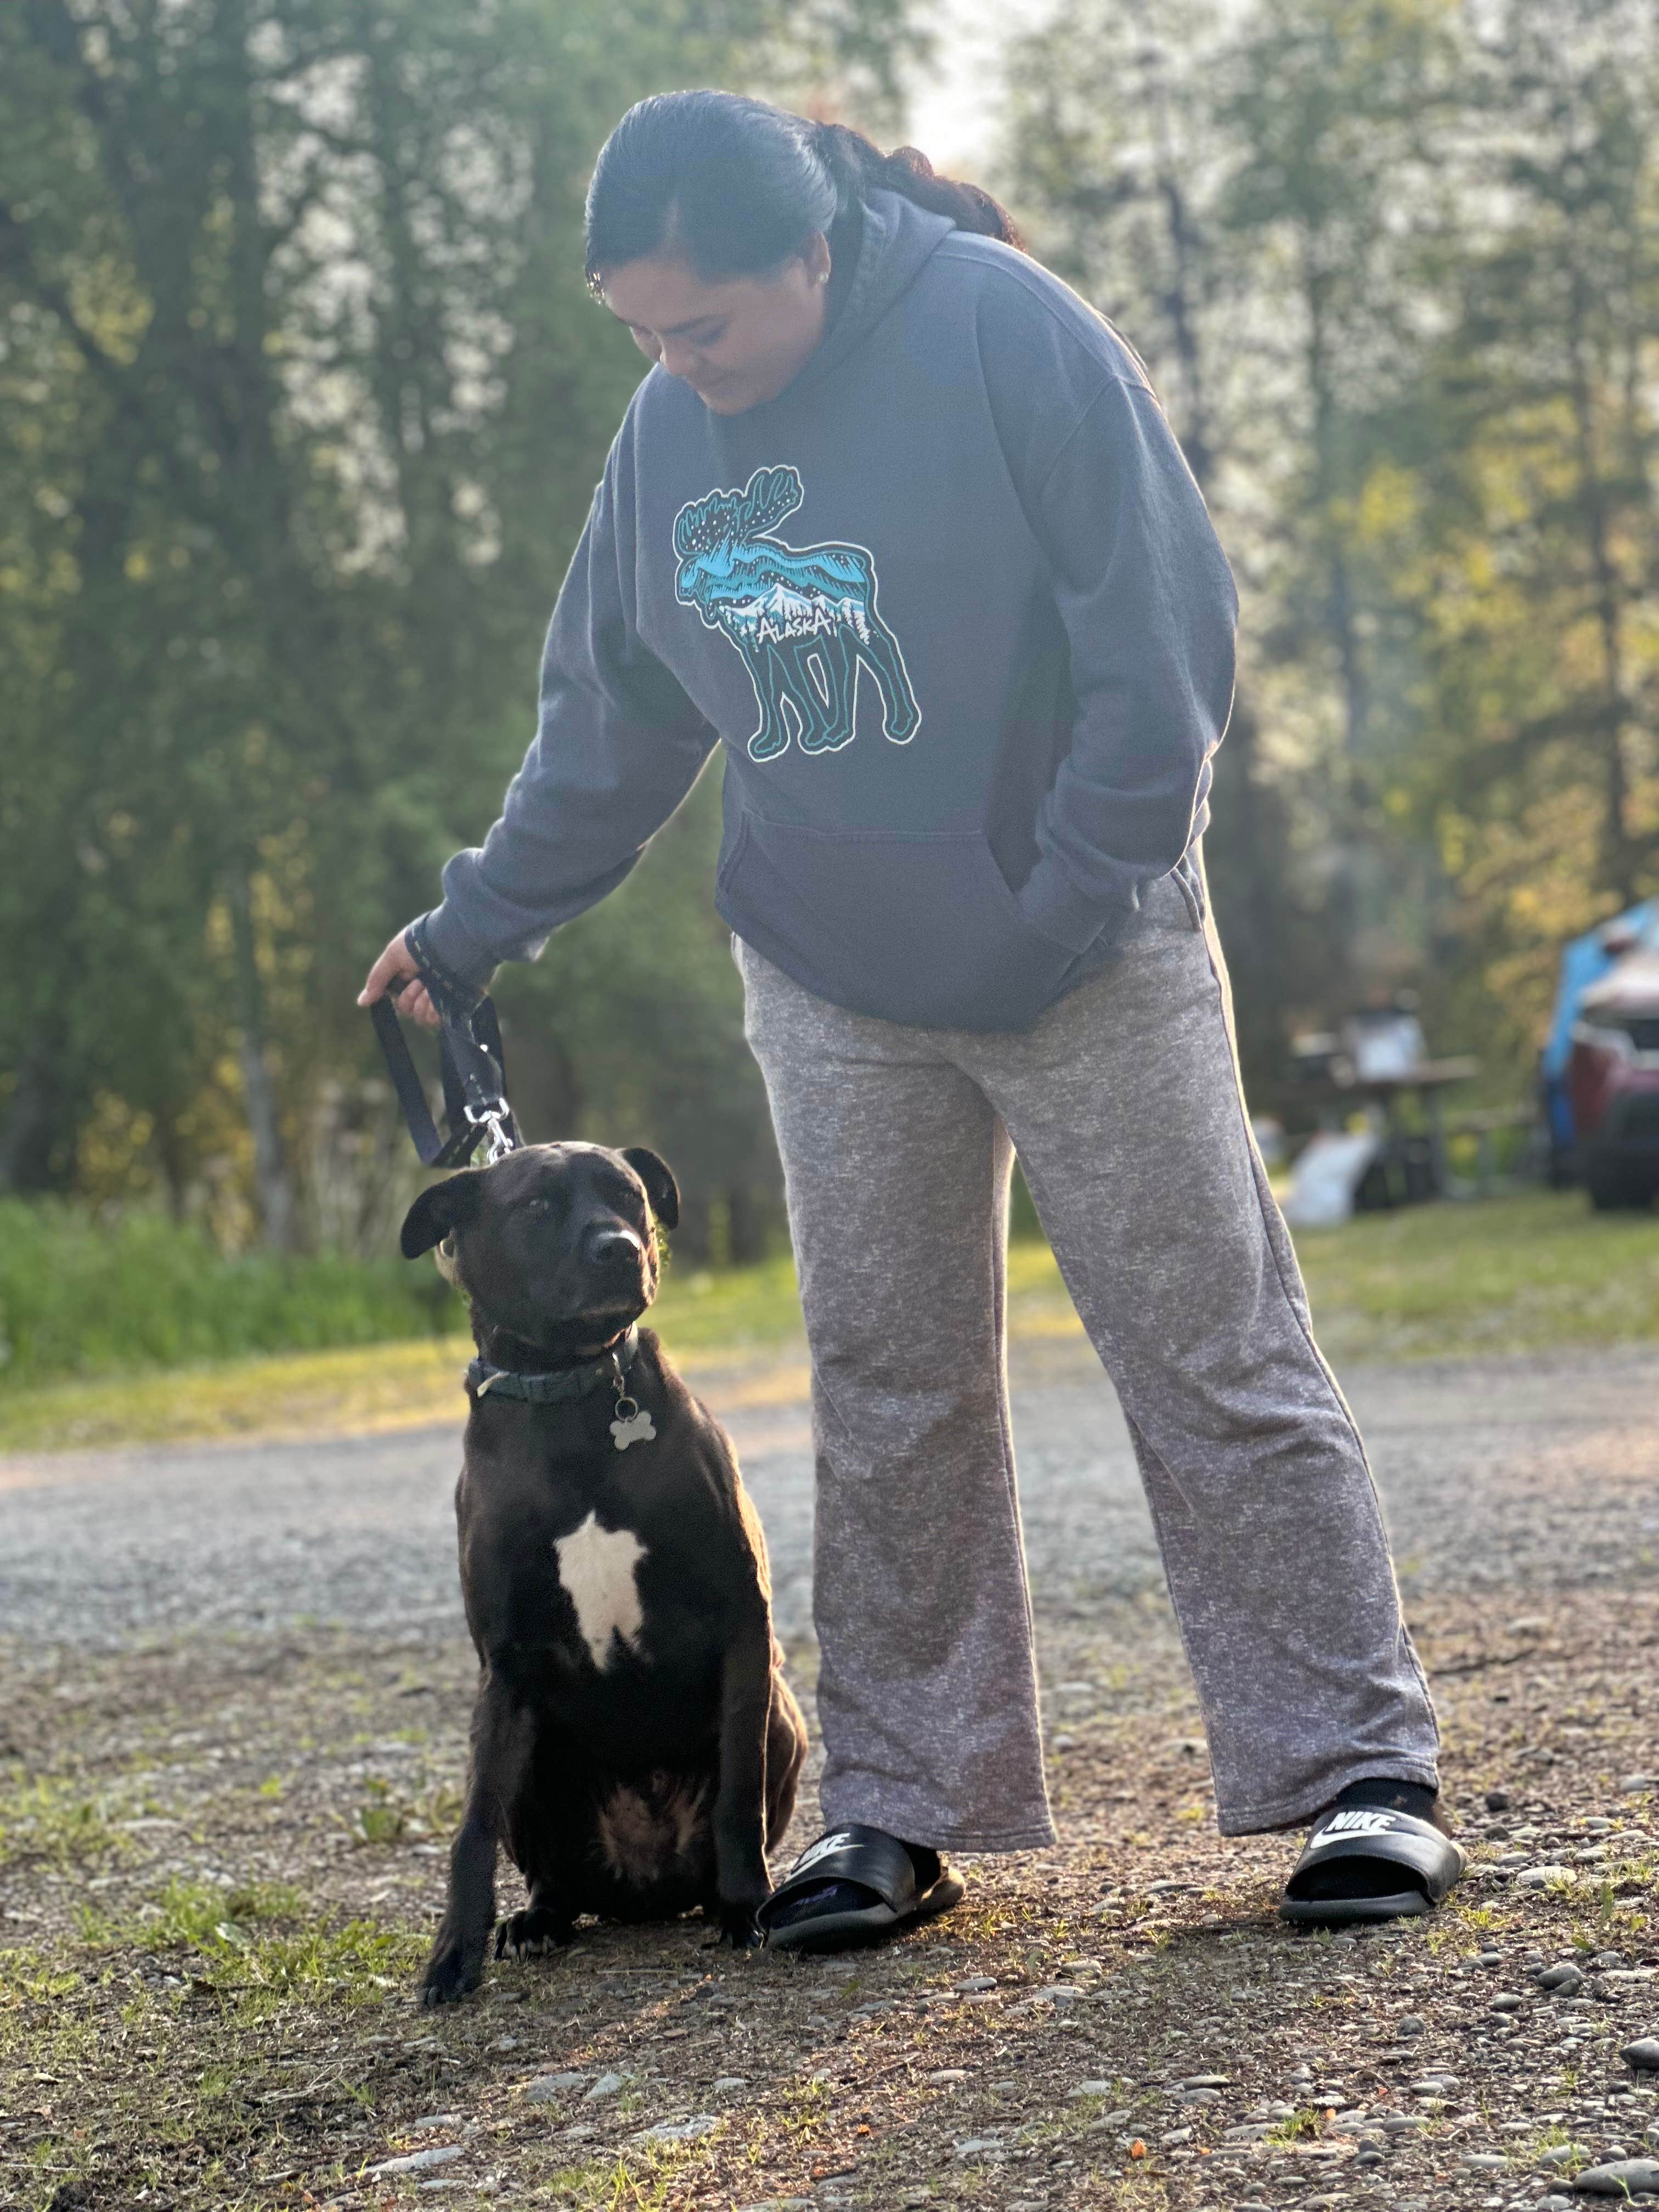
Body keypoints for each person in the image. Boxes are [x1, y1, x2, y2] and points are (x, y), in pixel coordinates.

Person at [359, 89, 1464, 1945]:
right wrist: (470, 928)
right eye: (641, 332)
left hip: (1080, 949)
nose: (676, 364)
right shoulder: (666, 439)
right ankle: (897, 1801)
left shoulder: (999, 333)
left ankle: (1358, 1772)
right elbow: (615, 725)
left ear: (810, 251)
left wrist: (1069, 893)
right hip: (831, 970)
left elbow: (1164, 637)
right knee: (888, 1385)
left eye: (701, 324)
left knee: (1212, 1349)